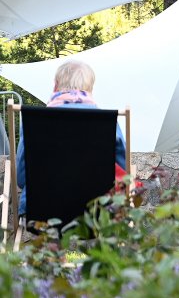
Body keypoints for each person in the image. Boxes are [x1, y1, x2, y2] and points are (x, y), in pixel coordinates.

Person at [16, 60, 127, 215]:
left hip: (41, 211)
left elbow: (21, 178)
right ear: (90, 88)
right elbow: (124, 172)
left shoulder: (35, 121)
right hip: (98, 212)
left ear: (56, 85)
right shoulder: (107, 122)